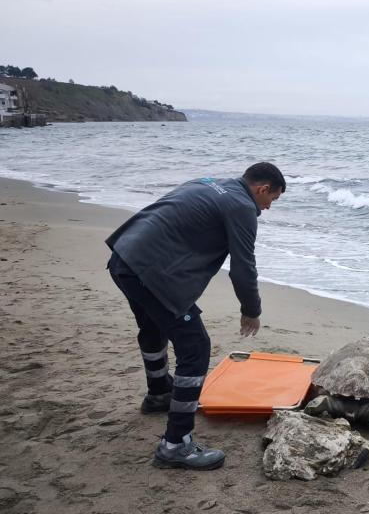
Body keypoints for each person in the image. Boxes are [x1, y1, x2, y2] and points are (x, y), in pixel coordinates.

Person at [106, 162, 285, 470]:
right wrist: (251, 310)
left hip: (124, 257)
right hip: (151, 271)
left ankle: (159, 393)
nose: (268, 208)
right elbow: (243, 267)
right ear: (262, 189)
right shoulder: (242, 206)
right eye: (272, 200)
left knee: (152, 326)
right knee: (195, 346)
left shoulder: (206, 182)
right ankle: (176, 445)